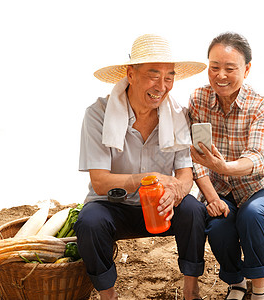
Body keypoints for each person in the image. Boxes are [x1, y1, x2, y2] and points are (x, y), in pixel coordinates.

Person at [74, 34, 207, 300]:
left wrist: (176, 192)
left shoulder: (178, 114)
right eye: (153, 75)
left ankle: (191, 290)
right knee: (88, 222)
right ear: (131, 74)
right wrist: (149, 177)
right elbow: (100, 182)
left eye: (169, 76)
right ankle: (108, 295)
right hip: (113, 206)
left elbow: (184, 174)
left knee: (193, 209)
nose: (162, 85)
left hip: (159, 205)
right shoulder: (98, 114)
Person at [188, 32, 264, 300]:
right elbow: (195, 158)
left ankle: (259, 290)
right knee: (218, 226)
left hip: (262, 188)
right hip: (220, 190)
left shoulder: (259, 106)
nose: (220, 75)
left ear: (246, 69)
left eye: (230, 69)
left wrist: (225, 167)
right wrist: (211, 196)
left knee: (252, 214)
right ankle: (237, 282)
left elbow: (256, 156)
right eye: (214, 67)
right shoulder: (198, 100)